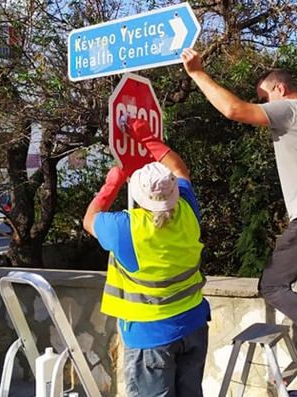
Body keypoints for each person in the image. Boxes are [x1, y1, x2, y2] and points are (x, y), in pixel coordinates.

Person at [181, 48, 297, 397]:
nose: (263, 104)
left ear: (278, 90)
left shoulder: (290, 109)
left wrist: (196, 73)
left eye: (263, 97)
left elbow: (233, 110)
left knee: (272, 285)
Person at [83, 116, 209, 397]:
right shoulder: (188, 209)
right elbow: (179, 168)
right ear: (174, 192)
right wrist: (146, 136)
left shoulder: (126, 228)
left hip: (150, 337)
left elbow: (90, 219)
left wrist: (111, 184)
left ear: (139, 197)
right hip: (194, 325)